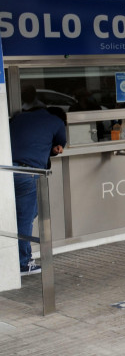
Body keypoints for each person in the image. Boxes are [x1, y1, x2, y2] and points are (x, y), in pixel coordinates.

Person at [9, 104, 67, 275]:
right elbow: (58, 147)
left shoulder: (20, 117)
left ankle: (12, 256)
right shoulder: (56, 122)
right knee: (25, 218)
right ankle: (22, 262)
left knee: (16, 215)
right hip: (27, 172)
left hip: (4, 168)